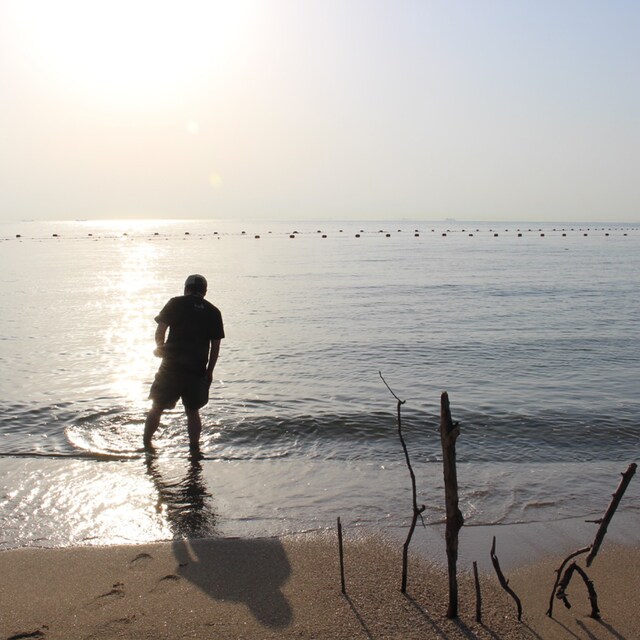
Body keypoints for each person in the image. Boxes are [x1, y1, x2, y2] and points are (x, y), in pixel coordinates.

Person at [144, 274, 224, 452]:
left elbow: (161, 329)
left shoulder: (175, 303)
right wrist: (210, 371)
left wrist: (160, 348)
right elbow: (215, 346)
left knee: (157, 407)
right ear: (205, 291)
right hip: (197, 369)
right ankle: (194, 450)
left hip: (171, 367)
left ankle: (146, 444)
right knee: (192, 411)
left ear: (186, 289)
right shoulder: (213, 311)